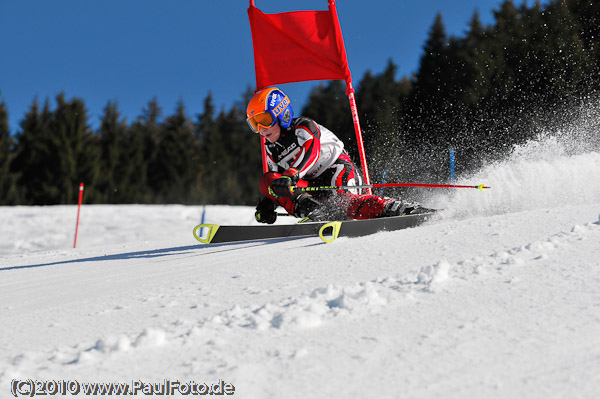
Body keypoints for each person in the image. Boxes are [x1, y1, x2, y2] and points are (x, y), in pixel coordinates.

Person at [246, 86, 425, 224]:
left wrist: (292, 173)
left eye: (265, 121)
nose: (261, 129)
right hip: (312, 186)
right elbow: (279, 184)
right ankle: (317, 213)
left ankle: (396, 208)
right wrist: (269, 203)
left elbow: (312, 151)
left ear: (281, 114)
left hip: (336, 169)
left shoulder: (303, 127)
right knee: (267, 180)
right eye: (255, 124)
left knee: (345, 203)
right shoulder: (272, 149)